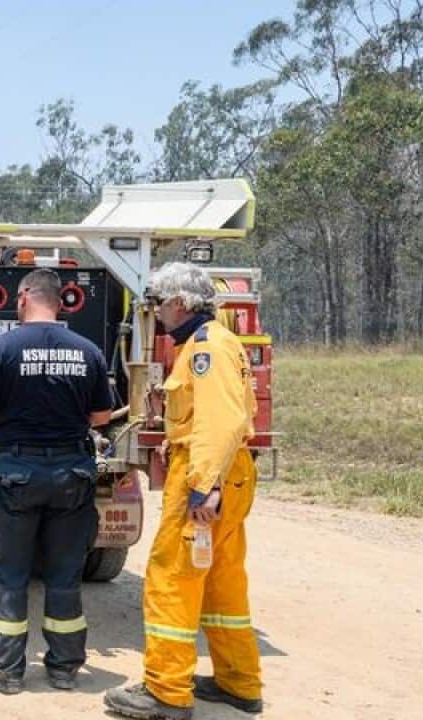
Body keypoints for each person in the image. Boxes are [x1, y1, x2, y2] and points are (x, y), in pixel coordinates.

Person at [104, 262, 263, 719]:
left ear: (179, 303)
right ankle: (239, 682)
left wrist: (203, 486)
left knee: (172, 576)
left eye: (158, 304)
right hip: (229, 472)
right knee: (220, 578)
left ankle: (167, 691)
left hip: (206, 472)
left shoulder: (205, 350)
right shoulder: (214, 342)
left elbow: (220, 420)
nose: (156, 314)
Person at [0, 268, 114, 694]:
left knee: (10, 576)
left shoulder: (2, 348)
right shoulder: (88, 351)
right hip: (72, 476)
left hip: (16, 476)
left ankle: (7, 672)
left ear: (25, 297)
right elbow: (101, 418)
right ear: (61, 301)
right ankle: (65, 669)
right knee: (65, 576)